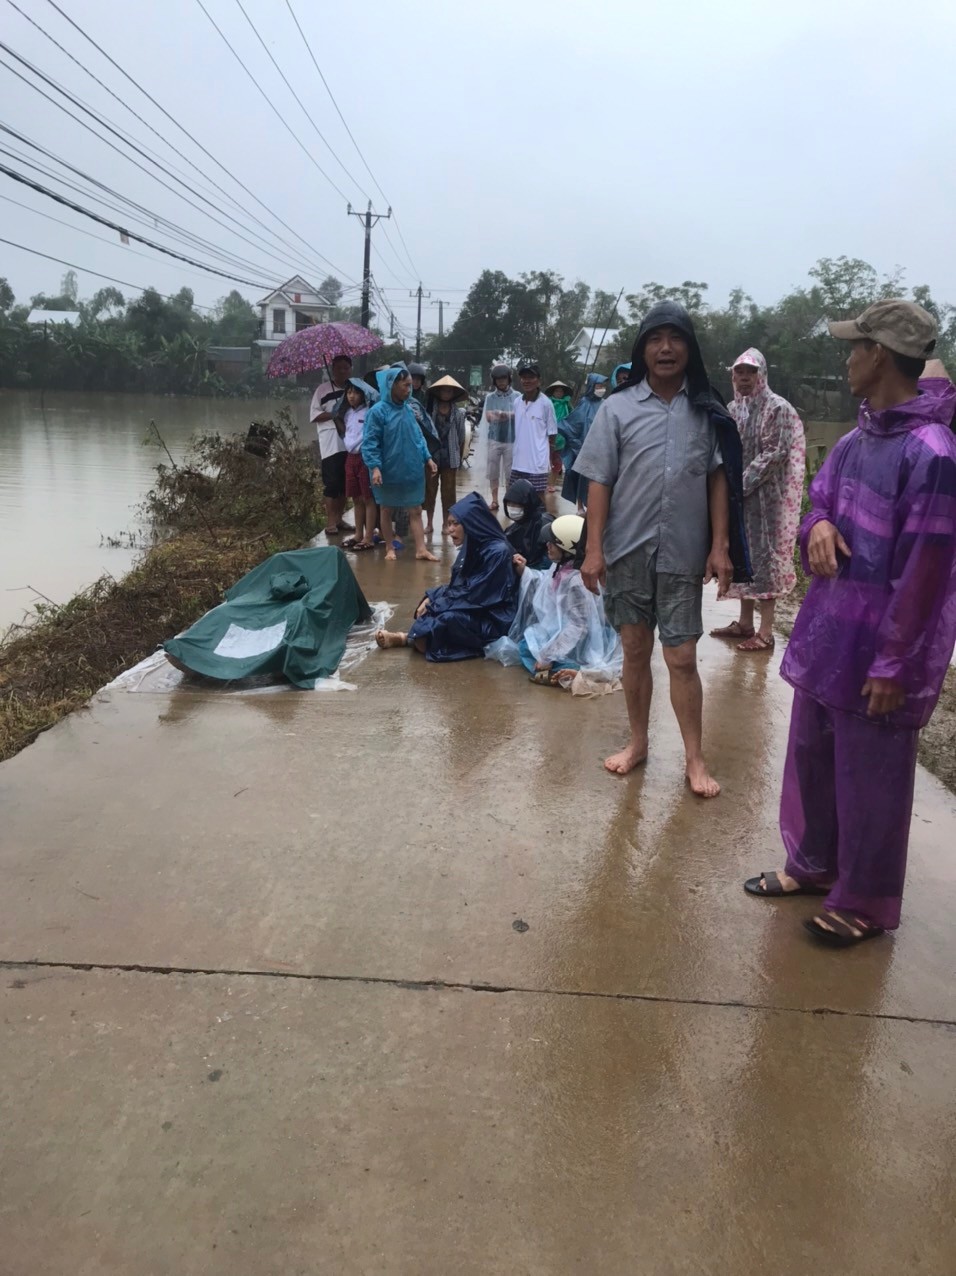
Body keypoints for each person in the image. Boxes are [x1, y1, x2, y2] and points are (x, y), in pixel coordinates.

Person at [745, 300, 956, 946]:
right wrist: (821, 526)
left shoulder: (933, 454)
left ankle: (863, 897)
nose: (848, 358)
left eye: (856, 347)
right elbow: (818, 503)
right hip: (832, 634)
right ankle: (812, 864)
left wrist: (896, 663)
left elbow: (926, 574)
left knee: (874, 775)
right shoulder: (860, 438)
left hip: (882, 649)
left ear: (883, 357)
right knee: (813, 753)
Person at [574, 300, 749, 797]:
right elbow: (599, 481)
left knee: (683, 658)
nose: (666, 348)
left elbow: (718, 479)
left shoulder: (705, 409)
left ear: (689, 349)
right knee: (633, 652)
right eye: (655, 338)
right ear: (642, 349)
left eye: (676, 338)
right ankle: (638, 743)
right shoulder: (616, 408)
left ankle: (695, 758)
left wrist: (720, 547)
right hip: (627, 552)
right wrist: (593, 550)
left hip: (682, 554)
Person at [710, 349, 806, 651]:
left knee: (766, 559)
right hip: (741, 499)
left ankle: (765, 632)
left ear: (761, 374)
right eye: (739, 372)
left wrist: (738, 485)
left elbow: (774, 454)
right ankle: (745, 622)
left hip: (768, 499)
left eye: (750, 372)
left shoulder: (777, 407)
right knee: (744, 558)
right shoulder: (732, 408)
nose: (744, 378)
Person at [375, 492, 520, 661]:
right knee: (426, 606)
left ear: (471, 523)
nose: (450, 530)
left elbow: (476, 595)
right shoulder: (472, 545)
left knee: (447, 618)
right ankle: (412, 638)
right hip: (475, 605)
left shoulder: (498, 552)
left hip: (494, 616)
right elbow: (458, 585)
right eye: (448, 524)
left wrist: (438, 604)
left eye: (455, 524)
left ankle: (406, 638)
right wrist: (432, 597)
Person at [487, 514, 622, 689]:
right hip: (570, 631)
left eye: (553, 543)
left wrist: (548, 656)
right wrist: (525, 571)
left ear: (567, 547)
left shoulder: (576, 581)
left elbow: (579, 626)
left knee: (530, 650)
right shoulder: (564, 567)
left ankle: (573, 671)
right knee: (528, 644)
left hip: (585, 638)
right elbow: (544, 583)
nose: (547, 546)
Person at [362, 366, 439, 562]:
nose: (409, 389)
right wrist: (375, 467)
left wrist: (428, 458)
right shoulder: (377, 412)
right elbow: (370, 442)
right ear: (392, 385)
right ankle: (390, 547)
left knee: (415, 509)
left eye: (410, 385)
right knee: (386, 509)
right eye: (405, 385)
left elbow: (418, 437)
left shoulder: (408, 409)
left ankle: (421, 549)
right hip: (387, 470)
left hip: (411, 468)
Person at [310, 353, 355, 537]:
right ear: (333, 369)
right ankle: (330, 522)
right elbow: (314, 416)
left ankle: (338, 519)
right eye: (338, 368)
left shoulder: (353, 388)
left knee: (345, 484)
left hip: (350, 442)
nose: (342, 371)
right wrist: (333, 414)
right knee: (332, 484)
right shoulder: (322, 390)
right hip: (330, 444)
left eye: (346, 367)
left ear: (350, 369)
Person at [337, 377, 379, 551]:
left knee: (368, 498)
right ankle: (358, 535)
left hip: (365, 457)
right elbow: (346, 433)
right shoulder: (347, 413)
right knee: (356, 498)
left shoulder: (370, 412)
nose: (351, 396)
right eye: (348, 392)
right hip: (350, 458)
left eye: (355, 392)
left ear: (364, 395)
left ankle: (369, 537)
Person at [424, 375, 467, 536]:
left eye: (449, 391)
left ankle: (445, 523)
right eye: (444, 390)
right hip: (432, 456)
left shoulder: (458, 413)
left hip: (450, 457)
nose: (446, 393)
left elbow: (461, 437)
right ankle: (429, 523)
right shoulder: (430, 410)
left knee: (449, 493)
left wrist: (459, 456)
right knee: (430, 491)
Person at [561, 372, 609, 513]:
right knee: (582, 478)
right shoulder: (584, 403)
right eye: (598, 386)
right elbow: (574, 423)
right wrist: (577, 443)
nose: (601, 389)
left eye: (603, 386)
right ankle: (580, 506)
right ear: (592, 386)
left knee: (598, 479)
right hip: (585, 447)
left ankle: (594, 505)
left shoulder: (605, 404)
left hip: (601, 447)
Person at [510, 359, 559, 494]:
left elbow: (552, 433)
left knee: (538, 499)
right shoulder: (517, 402)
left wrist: (549, 459)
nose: (527, 381)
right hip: (518, 461)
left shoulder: (546, 403)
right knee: (517, 498)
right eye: (524, 377)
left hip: (537, 462)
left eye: (531, 377)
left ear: (539, 380)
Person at [480, 363, 519, 511]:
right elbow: (489, 417)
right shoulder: (490, 397)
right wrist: (508, 416)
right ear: (494, 381)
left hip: (511, 440)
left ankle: (509, 499)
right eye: (498, 379)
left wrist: (503, 415)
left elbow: (519, 415)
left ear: (509, 379)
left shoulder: (517, 396)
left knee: (510, 472)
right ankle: (495, 500)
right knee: (493, 470)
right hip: (494, 439)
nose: (501, 382)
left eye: (504, 378)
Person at [502, 477, 552, 569]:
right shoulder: (512, 529)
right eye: (509, 504)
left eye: (516, 505)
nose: (512, 508)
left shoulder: (544, 525)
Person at [545, 380, 574, 492]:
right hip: (548, 436)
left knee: (557, 462)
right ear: (553, 392)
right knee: (544, 461)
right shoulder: (548, 403)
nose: (559, 393)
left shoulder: (567, 404)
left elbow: (572, 417)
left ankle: (552, 483)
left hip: (561, 437)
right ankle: (543, 481)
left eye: (561, 391)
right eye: (557, 391)